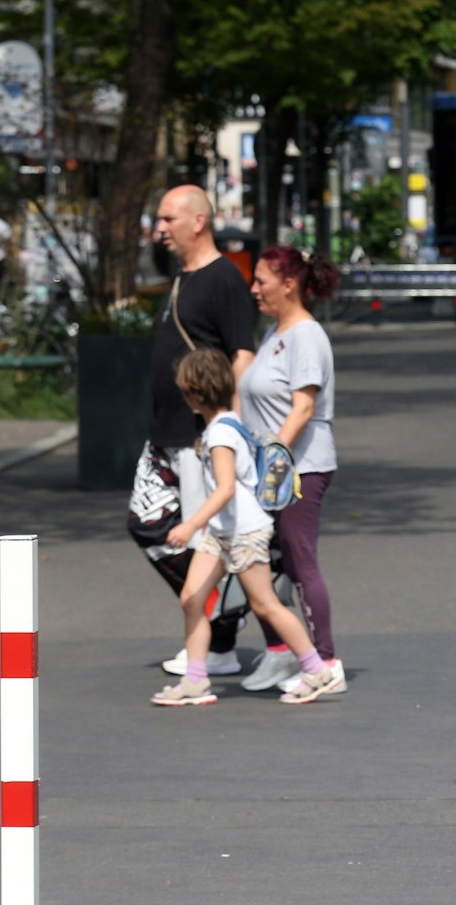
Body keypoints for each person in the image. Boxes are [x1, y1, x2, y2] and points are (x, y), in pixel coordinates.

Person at [152, 349, 341, 707]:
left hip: (242, 532)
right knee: (192, 598)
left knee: (265, 604)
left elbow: (224, 489)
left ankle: (317, 671)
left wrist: (190, 523)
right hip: (222, 532)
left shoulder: (221, 434)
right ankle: (195, 680)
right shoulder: (223, 426)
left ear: (195, 393)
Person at [129, 184, 258, 680]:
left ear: (197, 221)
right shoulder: (182, 276)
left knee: (201, 538)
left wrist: (229, 426)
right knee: (145, 522)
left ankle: (216, 636)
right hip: (165, 430)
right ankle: (220, 611)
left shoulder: (224, 278)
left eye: (167, 219)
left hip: (197, 435)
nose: (159, 228)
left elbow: (240, 354)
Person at [236, 245, 347, 697]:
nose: (254, 288)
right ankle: (283, 650)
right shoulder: (275, 333)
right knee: (264, 564)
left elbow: (303, 407)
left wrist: (275, 458)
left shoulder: (306, 336)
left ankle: (326, 661)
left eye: (261, 280)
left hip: (300, 468)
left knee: (300, 563)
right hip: (269, 471)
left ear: (289, 284)